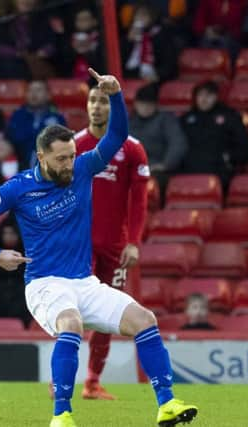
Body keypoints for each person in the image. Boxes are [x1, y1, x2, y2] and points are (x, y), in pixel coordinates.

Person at [0, 68, 198, 427]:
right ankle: (62, 415)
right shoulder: (19, 187)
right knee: (70, 324)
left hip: (83, 282)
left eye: (73, 156)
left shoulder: (84, 168)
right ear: (41, 158)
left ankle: (167, 404)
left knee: (144, 320)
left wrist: (117, 95)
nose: (70, 164)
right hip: (43, 284)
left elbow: (118, 134)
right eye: (62, 159)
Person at [72, 81, 150, 400]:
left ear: (114, 107)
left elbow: (140, 199)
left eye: (103, 101)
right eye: (92, 100)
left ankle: (92, 381)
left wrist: (133, 241)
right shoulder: (75, 144)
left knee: (107, 313)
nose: (97, 106)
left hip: (116, 248)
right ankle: (62, 377)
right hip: (81, 244)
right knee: (73, 307)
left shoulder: (131, 148)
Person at [179, 80, 248, 191]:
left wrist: (228, 158)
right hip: (189, 170)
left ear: (216, 97)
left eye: (208, 95)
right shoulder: (186, 119)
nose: (204, 99)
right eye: (200, 95)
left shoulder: (230, 117)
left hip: (218, 170)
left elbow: (244, 146)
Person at [128, 83, 187, 198]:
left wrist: (166, 164)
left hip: (157, 168)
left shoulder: (166, 120)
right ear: (136, 104)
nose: (145, 108)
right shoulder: (129, 122)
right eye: (142, 104)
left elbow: (178, 143)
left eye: (149, 104)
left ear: (155, 105)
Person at [7, 79, 66, 169]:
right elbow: (15, 139)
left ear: (48, 95)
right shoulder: (18, 115)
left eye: (38, 90)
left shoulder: (57, 118)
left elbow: (58, 144)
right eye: (30, 90)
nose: (34, 94)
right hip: (20, 164)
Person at [122, 2, 178, 83]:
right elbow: (119, 60)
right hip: (130, 73)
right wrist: (128, 42)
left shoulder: (161, 36)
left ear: (152, 17)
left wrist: (158, 75)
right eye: (137, 15)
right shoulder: (129, 35)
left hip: (153, 75)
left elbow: (168, 64)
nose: (140, 19)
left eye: (144, 16)